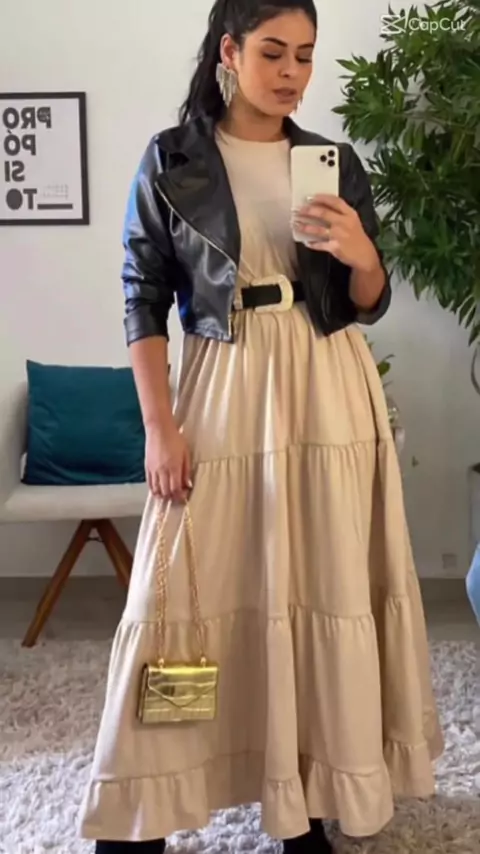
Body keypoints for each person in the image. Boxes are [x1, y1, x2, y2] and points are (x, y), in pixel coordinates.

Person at [79, 1, 444, 851]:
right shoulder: (173, 160)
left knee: (319, 584)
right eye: (274, 52)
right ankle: (142, 811)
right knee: (178, 594)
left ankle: (304, 805)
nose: (291, 73)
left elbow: (366, 302)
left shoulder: (331, 162)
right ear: (229, 52)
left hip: (327, 382)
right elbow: (141, 298)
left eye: (306, 56)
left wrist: (363, 256)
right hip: (224, 378)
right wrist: (158, 427)